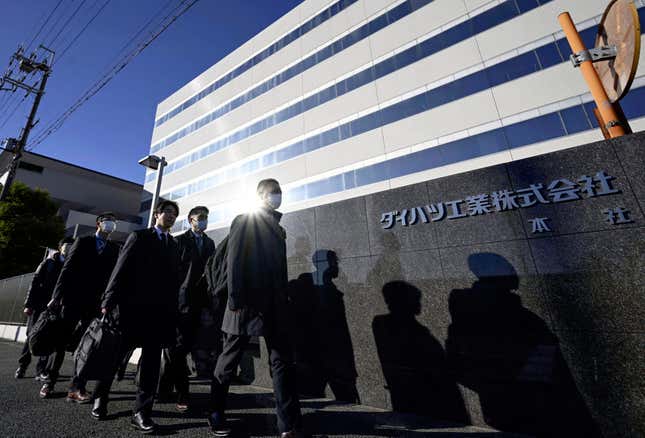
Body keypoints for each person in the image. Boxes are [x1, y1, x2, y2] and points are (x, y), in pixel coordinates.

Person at [208, 179, 302, 438]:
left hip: (275, 306)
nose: (277, 197)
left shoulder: (278, 228)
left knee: (282, 362)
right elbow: (235, 261)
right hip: (244, 306)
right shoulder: (244, 220)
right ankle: (215, 411)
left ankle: (288, 426)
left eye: (279, 193)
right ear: (260, 196)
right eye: (273, 193)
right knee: (229, 360)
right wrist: (235, 302)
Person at [93, 200, 180, 433]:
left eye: (174, 214)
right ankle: (101, 395)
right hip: (132, 310)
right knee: (116, 357)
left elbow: (173, 281)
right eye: (167, 212)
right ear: (157, 215)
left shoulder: (174, 244)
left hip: (159, 314)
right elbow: (120, 269)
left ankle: (141, 412)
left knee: (151, 365)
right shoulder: (139, 237)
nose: (171, 217)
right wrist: (108, 301)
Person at [40, 213, 120, 400]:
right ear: (99, 223)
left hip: (95, 302)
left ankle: (77, 387)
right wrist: (57, 296)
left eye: (114, 222)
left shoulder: (113, 248)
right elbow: (67, 269)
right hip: (72, 298)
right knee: (61, 342)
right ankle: (49, 382)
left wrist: (108, 300)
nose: (111, 225)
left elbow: (112, 277)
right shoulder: (83, 241)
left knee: (87, 344)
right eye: (108, 221)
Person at [158, 205, 215, 412]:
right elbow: (171, 273)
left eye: (206, 218)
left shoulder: (209, 243)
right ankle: (182, 391)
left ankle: (164, 388)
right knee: (178, 349)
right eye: (200, 217)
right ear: (191, 220)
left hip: (200, 305)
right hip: (179, 303)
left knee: (181, 348)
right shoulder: (179, 241)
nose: (204, 221)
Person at [15, 237, 74, 380]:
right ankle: (22, 366)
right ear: (60, 248)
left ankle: (41, 370)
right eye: (67, 245)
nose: (70, 248)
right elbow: (34, 284)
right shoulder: (48, 263)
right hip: (40, 306)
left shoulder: (72, 265)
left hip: (57, 308)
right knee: (32, 336)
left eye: (72, 246)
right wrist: (28, 304)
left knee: (50, 339)